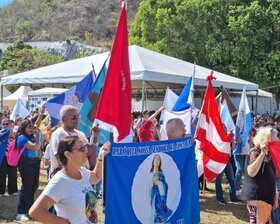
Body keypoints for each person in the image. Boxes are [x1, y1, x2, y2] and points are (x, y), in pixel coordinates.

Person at [29, 136, 111, 224]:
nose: (85, 152)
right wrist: (64, 223)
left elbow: (96, 176)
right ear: (67, 154)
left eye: (85, 148)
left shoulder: (82, 171)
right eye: (81, 149)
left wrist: (100, 157)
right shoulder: (60, 181)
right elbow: (35, 211)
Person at [241, 126, 278, 224]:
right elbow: (251, 172)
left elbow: (273, 176)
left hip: (267, 199)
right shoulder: (255, 152)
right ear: (266, 139)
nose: (276, 140)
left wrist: (275, 194)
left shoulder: (270, 154)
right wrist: (262, 153)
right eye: (274, 138)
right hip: (257, 197)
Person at [49, 105, 89, 178]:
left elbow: (88, 153)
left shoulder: (81, 134)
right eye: (74, 117)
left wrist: (94, 137)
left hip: (82, 177)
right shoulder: (58, 134)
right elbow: (60, 158)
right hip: (66, 179)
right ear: (64, 119)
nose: (77, 119)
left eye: (78, 116)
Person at [15, 119, 42, 221]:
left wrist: (36, 135)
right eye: (29, 127)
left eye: (32, 126)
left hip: (35, 163)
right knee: (27, 187)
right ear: (23, 127)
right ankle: (20, 212)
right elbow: (35, 147)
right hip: (25, 163)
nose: (31, 129)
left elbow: (39, 148)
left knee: (33, 186)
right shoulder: (21, 137)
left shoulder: (32, 137)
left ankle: (30, 210)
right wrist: (38, 136)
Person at [149, 154, 172, 223]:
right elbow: (146, 186)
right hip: (153, 196)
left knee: (160, 209)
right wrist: (152, 183)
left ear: (160, 162)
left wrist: (159, 183)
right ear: (153, 162)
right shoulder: (150, 174)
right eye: (155, 159)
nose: (157, 161)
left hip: (160, 197)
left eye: (158, 159)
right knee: (153, 211)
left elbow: (166, 185)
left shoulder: (161, 174)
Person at [0, 119, 17, 196]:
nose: (5, 125)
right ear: (1, 125)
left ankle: (12, 190)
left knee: (12, 173)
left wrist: (11, 133)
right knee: (1, 174)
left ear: (10, 125)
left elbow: (16, 140)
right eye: (4, 124)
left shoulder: (13, 133)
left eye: (7, 124)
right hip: (2, 157)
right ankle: (1, 191)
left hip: (11, 157)